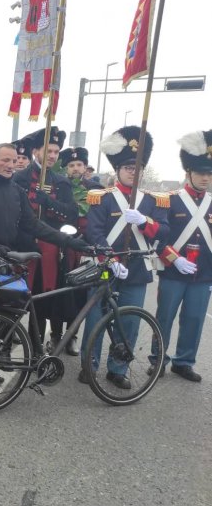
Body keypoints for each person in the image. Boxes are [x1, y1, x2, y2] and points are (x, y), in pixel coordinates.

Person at [0, 143, 90, 374]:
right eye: (4, 160)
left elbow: (34, 225)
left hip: (2, 261)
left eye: (13, 161)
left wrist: (70, 241)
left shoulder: (16, 191)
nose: (10, 165)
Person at [82, 126, 170, 388]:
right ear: (118, 170)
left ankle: (118, 368)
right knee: (95, 320)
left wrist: (145, 221)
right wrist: (110, 260)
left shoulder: (154, 201)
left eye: (138, 167)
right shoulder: (103, 199)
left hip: (137, 271)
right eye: (129, 167)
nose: (134, 171)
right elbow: (94, 234)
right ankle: (90, 365)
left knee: (129, 323)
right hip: (106, 269)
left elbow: (163, 233)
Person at [152, 130, 212, 382]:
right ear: (188, 173)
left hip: (203, 273)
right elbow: (158, 238)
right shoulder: (170, 201)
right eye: (201, 173)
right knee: (165, 317)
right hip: (174, 270)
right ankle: (158, 360)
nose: (206, 178)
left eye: (210, 174)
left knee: (195, 319)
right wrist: (174, 258)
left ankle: (184, 361)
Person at [14, 127, 78, 346]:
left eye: (56, 152)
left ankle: (35, 345)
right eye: (48, 150)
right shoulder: (20, 178)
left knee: (40, 301)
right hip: (21, 246)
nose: (52, 156)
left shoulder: (61, 181)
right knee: (12, 300)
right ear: (36, 152)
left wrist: (48, 202)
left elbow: (71, 213)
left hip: (48, 250)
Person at [55, 146, 102, 355]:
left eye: (79, 165)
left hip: (85, 248)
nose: (75, 168)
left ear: (85, 167)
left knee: (80, 294)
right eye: (71, 165)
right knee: (59, 290)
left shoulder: (96, 189)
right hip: (63, 245)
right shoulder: (58, 186)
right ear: (66, 168)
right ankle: (55, 336)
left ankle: (71, 335)